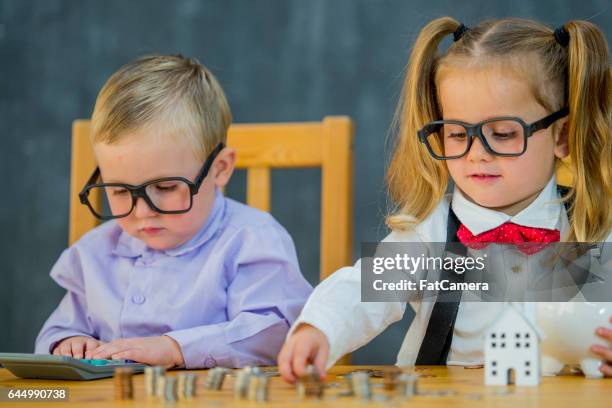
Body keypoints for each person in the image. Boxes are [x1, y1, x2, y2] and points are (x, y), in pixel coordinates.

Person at [278, 17, 611, 382]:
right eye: (456, 133)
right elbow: (361, 290)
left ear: (562, 135)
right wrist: (318, 328)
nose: (476, 154)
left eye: (501, 133)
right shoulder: (430, 232)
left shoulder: (591, 228)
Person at [35, 54, 313, 369]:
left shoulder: (251, 239)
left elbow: (274, 333)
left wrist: (176, 349)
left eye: (165, 188)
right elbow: (58, 330)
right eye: (120, 191)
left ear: (220, 169)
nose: (142, 212)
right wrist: (67, 342)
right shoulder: (95, 253)